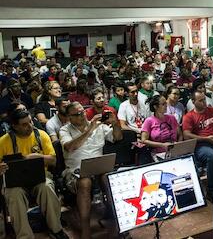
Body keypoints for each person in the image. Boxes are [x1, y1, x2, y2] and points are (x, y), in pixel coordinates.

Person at [0, 110, 68, 239]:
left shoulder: (41, 135)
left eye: (30, 121)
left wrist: (39, 157)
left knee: (47, 188)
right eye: (24, 124)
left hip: (40, 176)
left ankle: (56, 229)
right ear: (14, 126)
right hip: (15, 181)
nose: (30, 126)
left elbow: (53, 161)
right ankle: (25, 236)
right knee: (14, 195)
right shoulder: (4, 141)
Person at [60, 102, 122, 238]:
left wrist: (116, 123)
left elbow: (117, 137)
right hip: (76, 170)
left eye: (82, 112)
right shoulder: (65, 130)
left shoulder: (99, 125)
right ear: (69, 117)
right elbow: (70, 147)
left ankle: (118, 220)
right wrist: (89, 130)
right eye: (77, 114)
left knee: (109, 178)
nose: (82, 116)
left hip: (98, 165)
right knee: (85, 182)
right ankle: (85, 228)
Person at [182, 91, 213, 200]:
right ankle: (211, 191)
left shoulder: (211, 111)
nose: (204, 102)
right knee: (212, 155)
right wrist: (206, 139)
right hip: (200, 145)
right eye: (200, 100)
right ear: (193, 101)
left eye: (204, 99)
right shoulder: (189, 116)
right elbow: (186, 135)